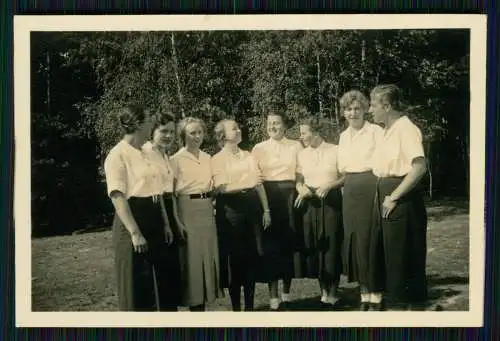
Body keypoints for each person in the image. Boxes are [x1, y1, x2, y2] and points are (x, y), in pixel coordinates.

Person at [104, 104, 180, 311]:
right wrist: (135, 234)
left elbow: (157, 190)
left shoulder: (146, 152)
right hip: (132, 220)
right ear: (138, 124)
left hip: (155, 217)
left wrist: (165, 223)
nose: (152, 125)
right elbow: (118, 196)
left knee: (161, 285)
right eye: (149, 120)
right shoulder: (118, 154)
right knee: (137, 287)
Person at [368, 84, 428, 311]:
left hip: (401, 200)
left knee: (402, 256)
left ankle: (406, 312)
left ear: (388, 105)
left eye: (373, 105)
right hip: (385, 195)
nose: (370, 110)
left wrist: (393, 197)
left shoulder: (406, 129)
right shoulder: (386, 131)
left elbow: (420, 167)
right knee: (388, 256)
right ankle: (395, 305)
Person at [211, 119, 272, 311]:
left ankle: (250, 308)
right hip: (231, 211)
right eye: (234, 128)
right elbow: (222, 188)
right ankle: (236, 308)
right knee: (235, 260)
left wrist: (266, 210)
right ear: (223, 136)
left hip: (252, 209)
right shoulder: (217, 159)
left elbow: (259, 183)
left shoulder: (248, 155)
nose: (239, 130)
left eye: (238, 127)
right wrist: (247, 182)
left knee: (251, 258)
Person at [337, 90, 385, 311]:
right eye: (348, 109)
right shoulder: (343, 136)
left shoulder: (375, 131)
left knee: (370, 239)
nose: (353, 113)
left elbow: (382, 162)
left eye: (357, 108)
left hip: (370, 184)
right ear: (343, 112)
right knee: (355, 240)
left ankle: (376, 294)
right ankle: (364, 292)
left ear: (365, 109)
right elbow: (341, 167)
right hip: (350, 188)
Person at [251, 111, 303, 310]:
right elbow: (256, 176)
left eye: (277, 123)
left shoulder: (296, 146)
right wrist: (264, 207)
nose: (273, 126)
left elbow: (300, 172)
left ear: (284, 125)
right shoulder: (258, 148)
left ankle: (286, 292)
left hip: (289, 195)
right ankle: (273, 296)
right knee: (271, 245)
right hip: (267, 196)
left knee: (288, 244)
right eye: (270, 123)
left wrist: (299, 189)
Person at [170, 116, 222, 311]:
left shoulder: (208, 158)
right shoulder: (175, 159)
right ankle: (194, 308)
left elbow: (213, 185)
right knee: (192, 260)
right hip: (187, 210)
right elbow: (172, 194)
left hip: (207, 209)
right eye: (192, 133)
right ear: (183, 135)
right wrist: (177, 220)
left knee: (206, 258)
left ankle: (203, 307)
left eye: (199, 132)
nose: (197, 136)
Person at [294, 115, 344, 308]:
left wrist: (330, 185)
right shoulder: (302, 154)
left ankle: (333, 293)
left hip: (331, 201)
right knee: (315, 246)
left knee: (331, 246)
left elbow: (345, 177)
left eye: (304, 133)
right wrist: (301, 189)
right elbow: (298, 180)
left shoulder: (335, 150)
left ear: (315, 132)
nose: (301, 137)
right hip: (310, 203)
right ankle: (323, 292)